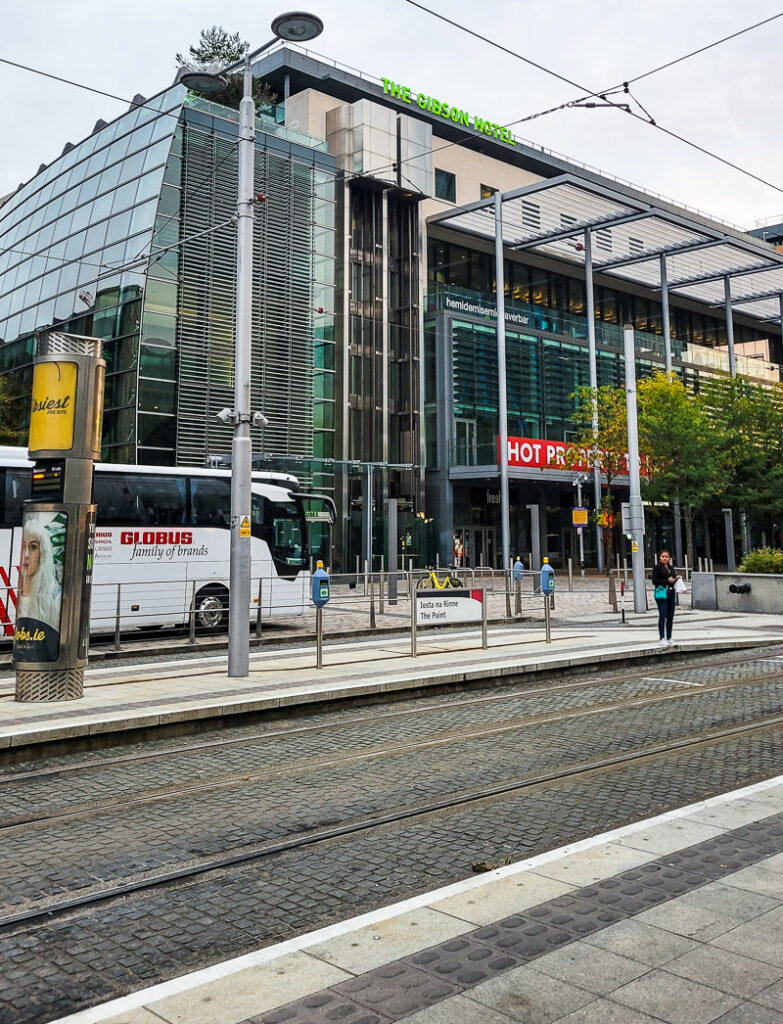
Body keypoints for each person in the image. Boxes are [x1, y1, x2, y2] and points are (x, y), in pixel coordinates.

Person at [14, 517, 63, 662]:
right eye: (24, 547)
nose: (27, 555)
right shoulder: (19, 593)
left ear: (43, 554)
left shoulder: (55, 597)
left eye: (33, 547)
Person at [651, 549, 679, 647]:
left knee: (670, 616)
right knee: (662, 615)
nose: (664, 558)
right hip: (661, 593)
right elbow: (654, 581)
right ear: (660, 557)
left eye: (666, 557)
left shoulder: (671, 568)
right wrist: (667, 580)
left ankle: (669, 637)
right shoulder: (657, 567)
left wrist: (675, 580)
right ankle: (662, 637)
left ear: (669, 558)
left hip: (671, 592)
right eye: (663, 556)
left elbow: (673, 578)